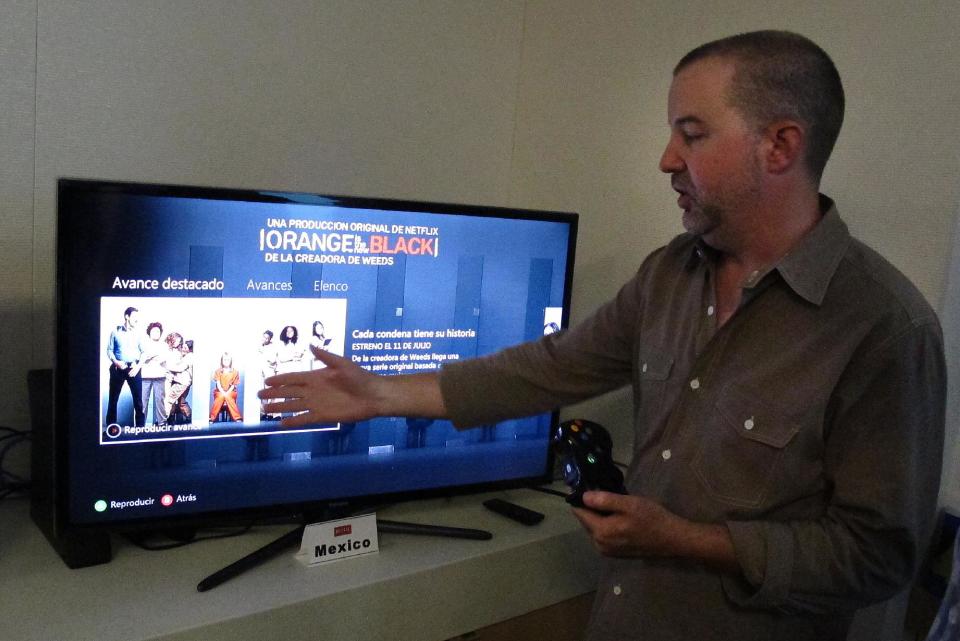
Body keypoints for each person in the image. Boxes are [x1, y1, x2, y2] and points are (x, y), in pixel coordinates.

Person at [259, 30, 946, 641]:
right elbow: (548, 368)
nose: (666, 159)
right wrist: (379, 392)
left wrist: (686, 541)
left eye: (693, 132)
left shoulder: (885, 326)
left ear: (780, 145)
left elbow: (879, 556)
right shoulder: (669, 276)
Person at [104, 306, 145, 427]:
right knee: (113, 400)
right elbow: (109, 350)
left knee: (138, 401)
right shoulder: (115, 332)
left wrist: (137, 368)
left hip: (134, 369)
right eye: (135, 317)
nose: (137, 320)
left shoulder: (139, 334)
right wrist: (116, 362)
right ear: (127, 317)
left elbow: (144, 353)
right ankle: (111, 430)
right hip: (118, 369)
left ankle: (140, 429)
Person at [139, 321, 167, 426]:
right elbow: (143, 358)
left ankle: (162, 423)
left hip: (160, 376)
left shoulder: (164, 345)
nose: (156, 333)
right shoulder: (143, 344)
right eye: (154, 331)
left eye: (158, 331)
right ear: (149, 332)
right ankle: (140, 424)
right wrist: (151, 356)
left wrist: (151, 356)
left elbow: (162, 359)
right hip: (145, 376)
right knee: (143, 401)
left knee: (160, 400)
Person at [209, 352, 242, 422]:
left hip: (231, 392)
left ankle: (237, 418)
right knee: (221, 396)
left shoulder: (235, 372)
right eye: (224, 360)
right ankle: (212, 418)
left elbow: (233, 385)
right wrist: (223, 392)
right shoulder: (218, 371)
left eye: (228, 360)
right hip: (219, 391)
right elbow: (218, 384)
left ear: (230, 361)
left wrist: (227, 393)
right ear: (221, 361)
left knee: (228, 396)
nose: (226, 361)